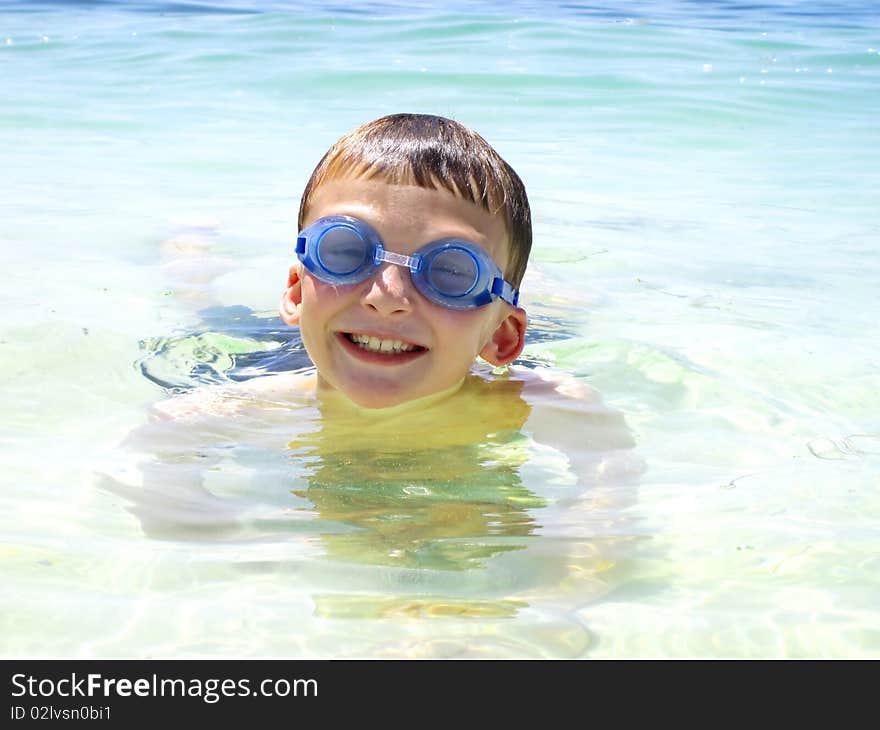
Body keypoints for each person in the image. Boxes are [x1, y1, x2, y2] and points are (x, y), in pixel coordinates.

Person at [111, 114, 641, 570]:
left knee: (570, 323)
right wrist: (261, 551)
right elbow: (159, 464)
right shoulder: (248, 402)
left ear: (502, 337)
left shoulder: (537, 401)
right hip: (278, 354)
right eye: (345, 252)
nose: (386, 297)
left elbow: (606, 501)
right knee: (206, 319)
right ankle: (191, 263)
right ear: (296, 291)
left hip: (389, 337)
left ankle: (542, 290)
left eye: (451, 271)